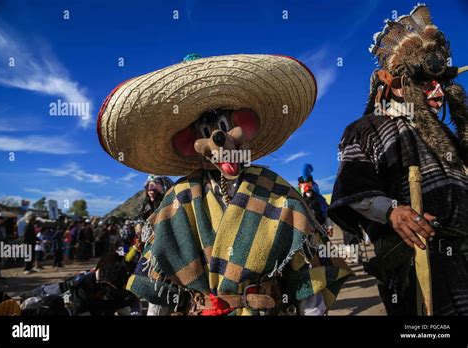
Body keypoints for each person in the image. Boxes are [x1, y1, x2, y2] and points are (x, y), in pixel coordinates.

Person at [98, 53, 352, 315]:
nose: (219, 139)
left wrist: (312, 310)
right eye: (206, 134)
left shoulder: (275, 189)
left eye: (225, 126)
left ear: (245, 125)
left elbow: (300, 263)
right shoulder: (180, 197)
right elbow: (162, 268)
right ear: (192, 144)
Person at [328, 5, 468, 315]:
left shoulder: (444, 132)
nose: (439, 94)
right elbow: (353, 187)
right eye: (426, 84)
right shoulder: (368, 129)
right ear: (396, 83)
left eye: (440, 84)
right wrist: (394, 213)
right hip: (416, 265)